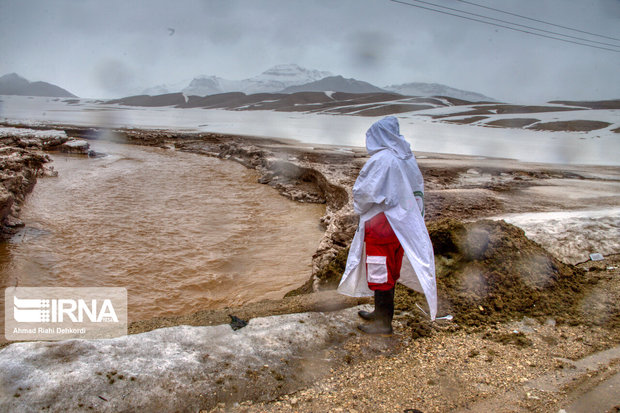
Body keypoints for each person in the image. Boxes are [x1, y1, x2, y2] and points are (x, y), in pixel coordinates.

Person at [338, 116, 437, 334]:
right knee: (389, 268)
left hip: (381, 225)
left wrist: (360, 208)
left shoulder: (383, 160)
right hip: (401, 224)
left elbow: (365, 193)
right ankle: (380, 313)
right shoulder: (405, 156)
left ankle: (384, 324)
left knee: (379, 270)